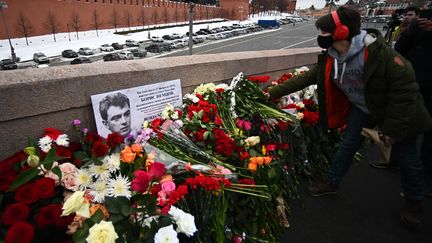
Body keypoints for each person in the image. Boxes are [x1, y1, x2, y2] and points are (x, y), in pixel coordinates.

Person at [268, 6, 432, 227]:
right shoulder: (332, 56)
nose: (320, 37)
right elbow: (307, 78)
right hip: (363, 110)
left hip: (399, 113)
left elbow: (405, 93)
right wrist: (270, 94)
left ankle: (414, 201)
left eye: (324, 32)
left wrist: (392, 131)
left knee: (407, 157)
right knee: (347, 145)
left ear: (342, 32)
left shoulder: (379, 54)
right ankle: (332, 181)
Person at [394, 11, 432, 197]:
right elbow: (399, 49)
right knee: (406, 137)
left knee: (427, 142)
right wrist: (410, 31)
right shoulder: (419, 26)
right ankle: (415, 189)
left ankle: (419, 189)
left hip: (422, 86)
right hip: (412, 86)